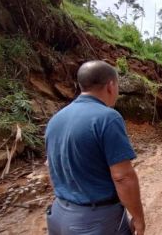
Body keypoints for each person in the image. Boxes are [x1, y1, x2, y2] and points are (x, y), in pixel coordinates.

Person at [45, 60, 145, 235]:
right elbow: (123, 177)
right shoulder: (108, 118)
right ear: (111, 86)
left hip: (58, 215)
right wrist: (138, 218)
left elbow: (51, 166)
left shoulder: (56, 119)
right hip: (95, 223)